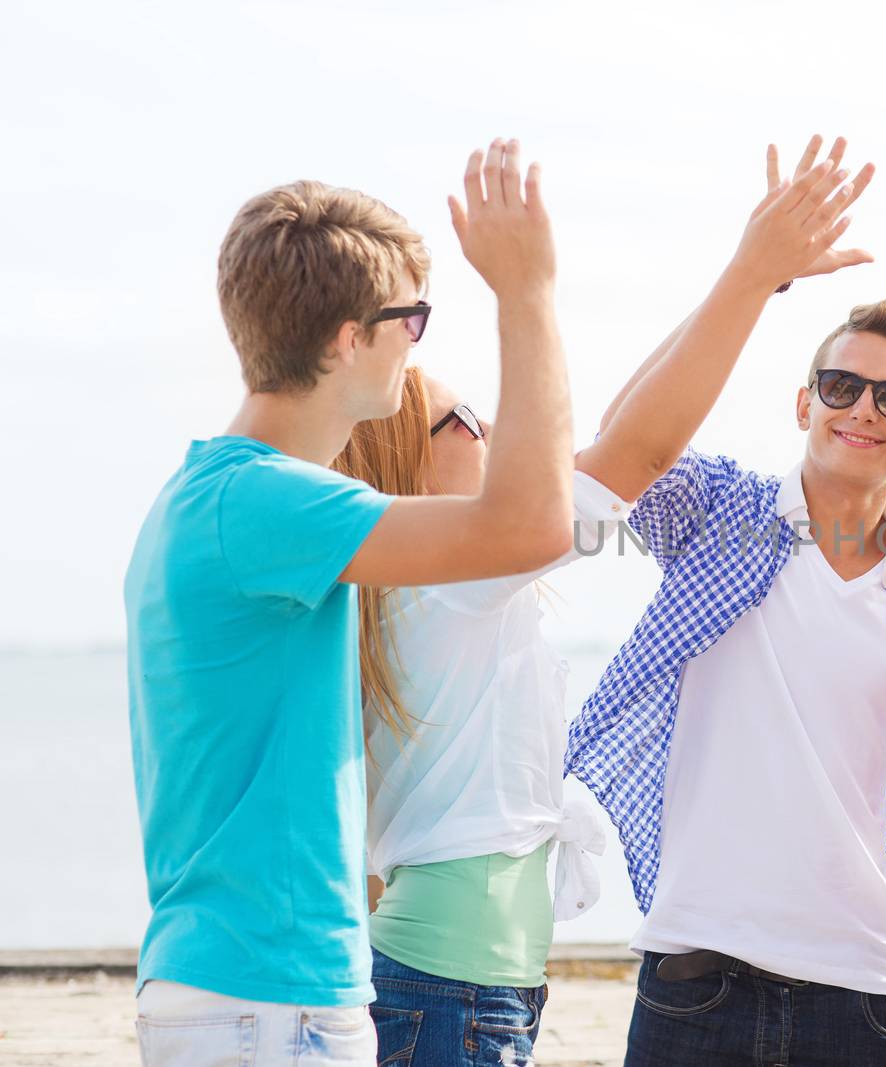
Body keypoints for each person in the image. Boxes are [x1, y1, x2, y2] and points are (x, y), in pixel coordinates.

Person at [331, 137, 871, 1065]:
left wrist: (757, 279)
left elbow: (623, 435)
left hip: (460, 985)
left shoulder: (439, 584)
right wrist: (747, 274)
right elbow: (638, 455)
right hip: (448, 990)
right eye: (464, 419)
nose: (489, 428)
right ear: (409, 462)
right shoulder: (453, 579)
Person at [123, 138, 577, 1065]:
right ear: (348, 339)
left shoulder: (218, 498)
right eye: (410, 319)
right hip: (266, 999)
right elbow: (532, 523)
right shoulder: (265, 502)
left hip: (239, 991)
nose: (417, 346)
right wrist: (528, 296)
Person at [567, 218, 886, 1065]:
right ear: (804, 401)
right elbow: (624, 439)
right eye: (841, 385)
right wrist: (755, 280)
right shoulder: (721, 511)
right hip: (698, 976)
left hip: (862, 992)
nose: (864, 408)